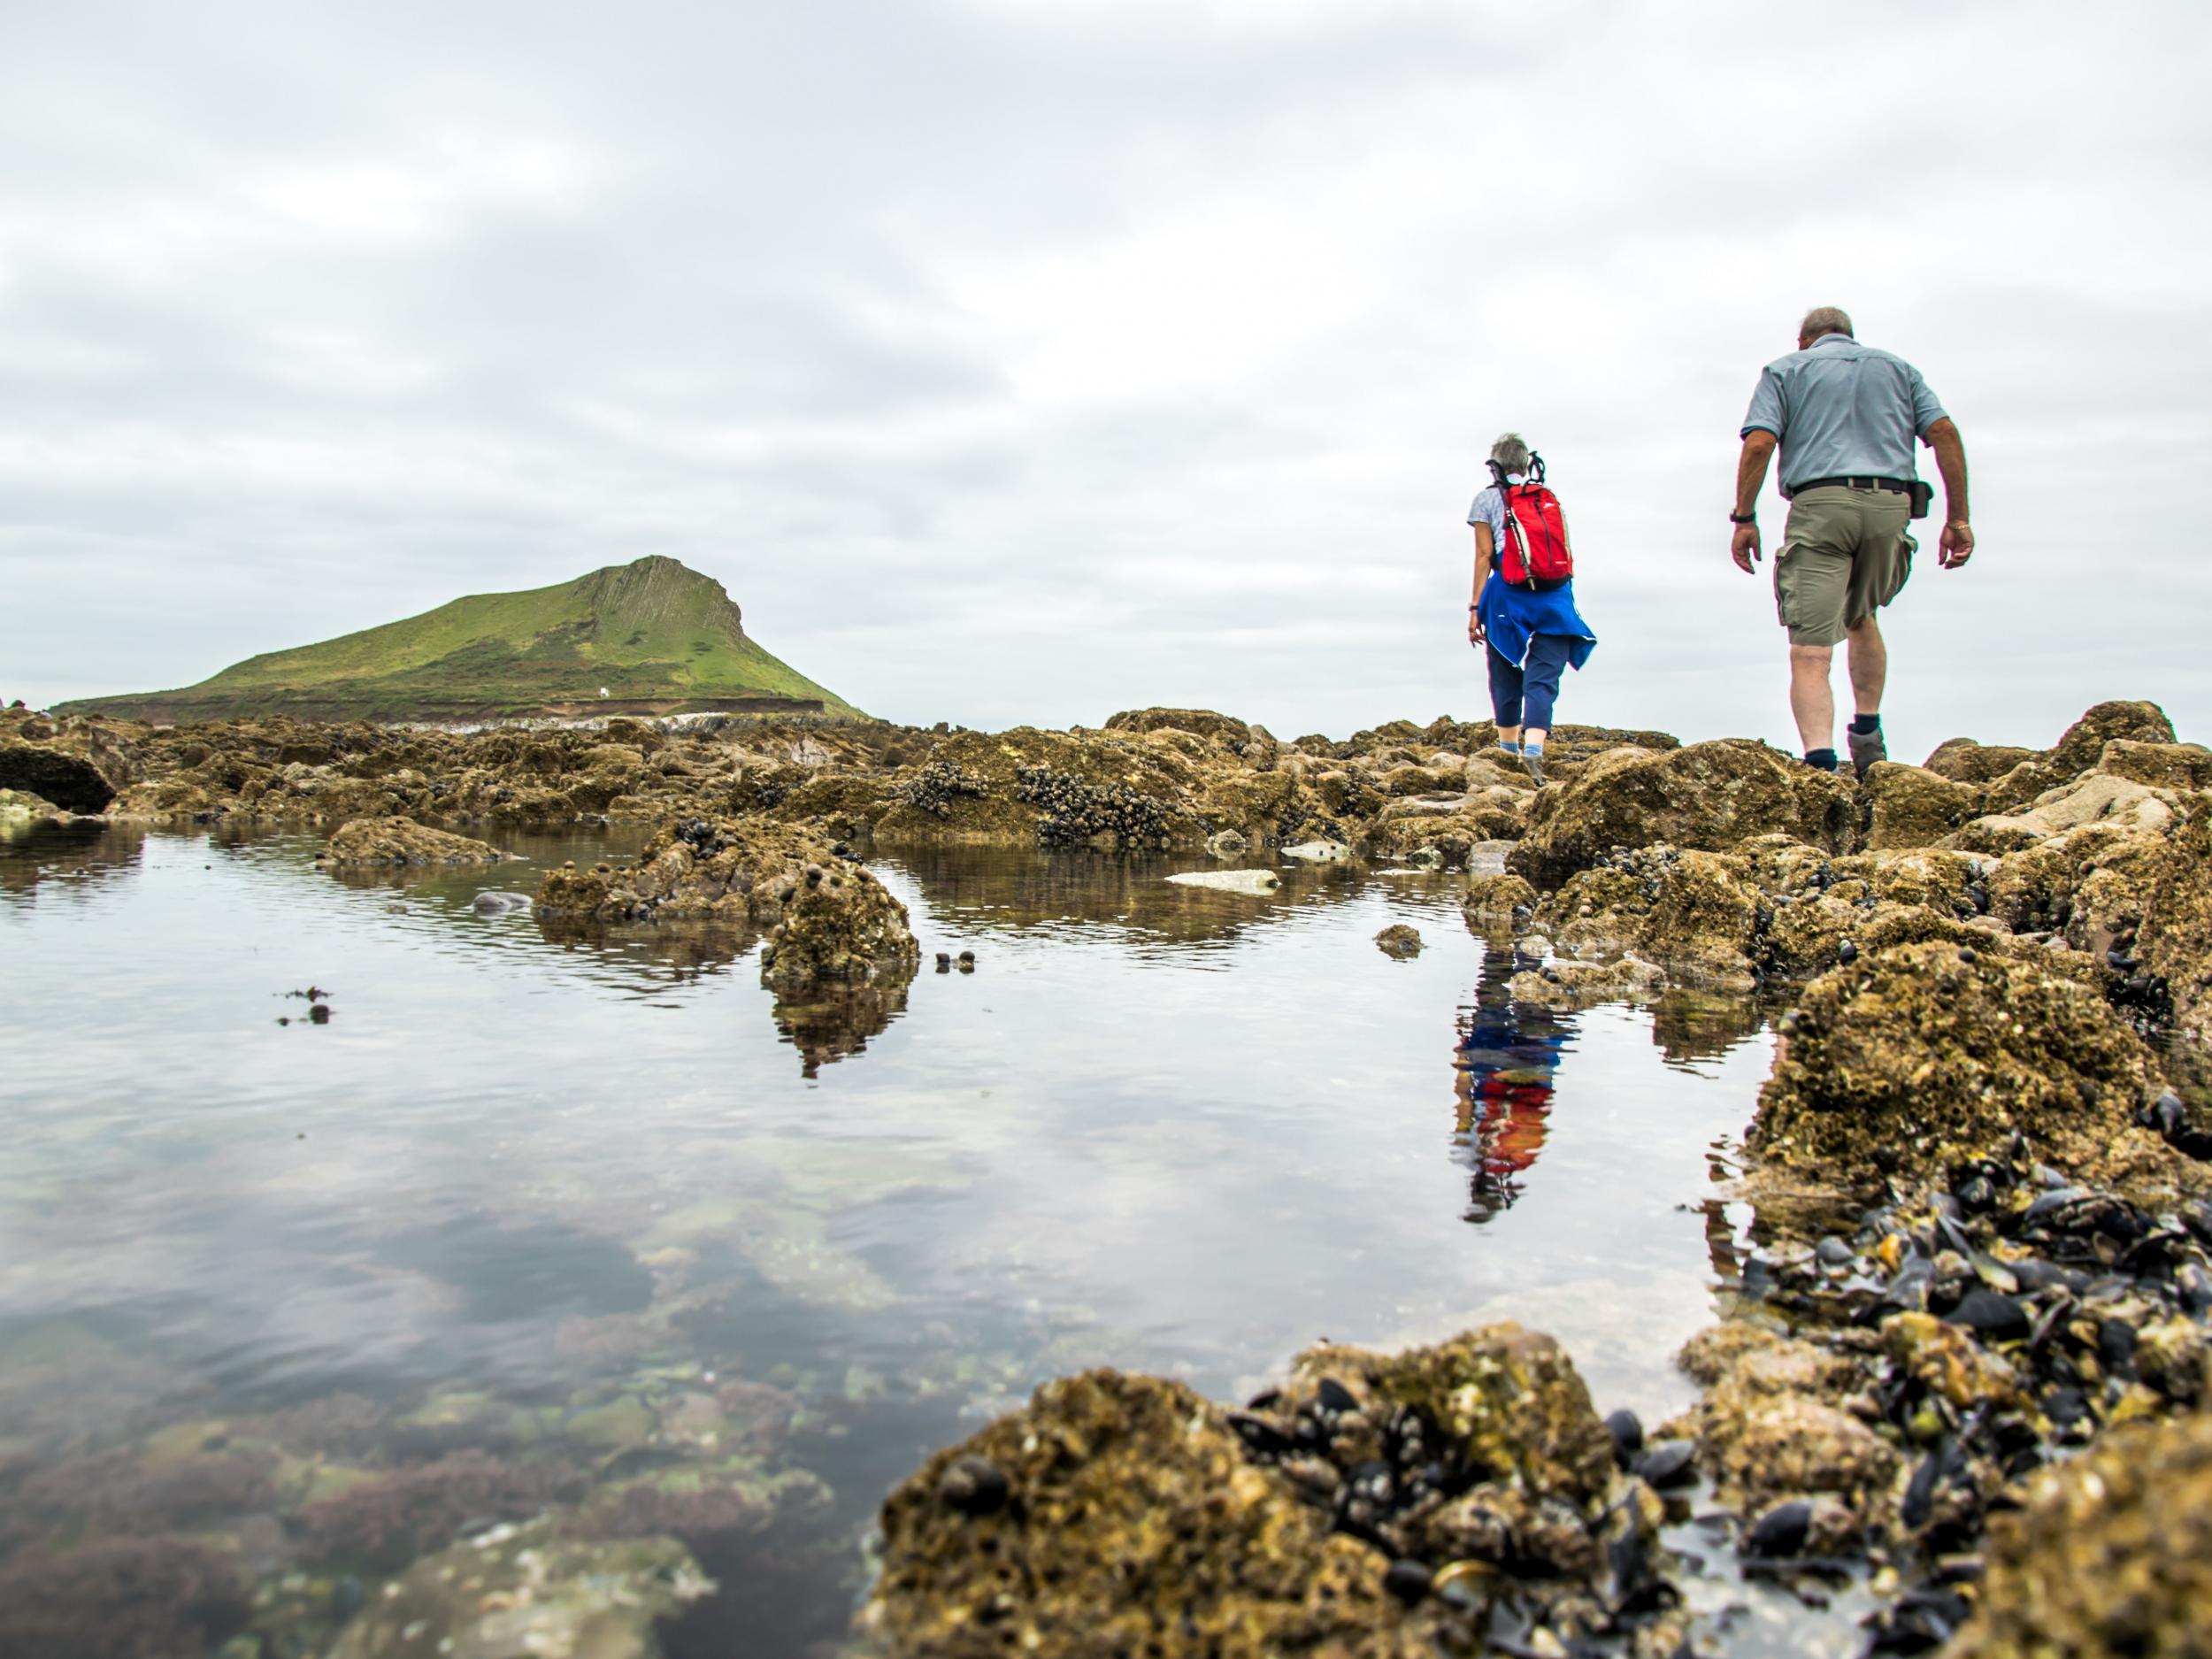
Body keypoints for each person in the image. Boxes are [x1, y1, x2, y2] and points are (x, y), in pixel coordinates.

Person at [1729, 306, 1974, 776]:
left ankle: (1821, 766)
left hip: (1821, 506)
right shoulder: (1898, 369)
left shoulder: (1786, 370)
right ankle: (1867, 736)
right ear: (1850, 336)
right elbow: (1943, 433)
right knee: (1861, 615)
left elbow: (1759, 443)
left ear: (1804, 340)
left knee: (1811, 647)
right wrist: (1958, 519)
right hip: (1891, 505)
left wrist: (1744, 517)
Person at [1466, 433, 1597, 786]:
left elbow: (1483, 556)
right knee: (1543, 677)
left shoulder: (1486, 500)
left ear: (1495, 465)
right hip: (1554, 595)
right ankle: (1535, 750)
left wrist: (1475, 608)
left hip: (1506, 593)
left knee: (1505, 668)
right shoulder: (1547, 499)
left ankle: (1507, 753)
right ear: (1526, 464)